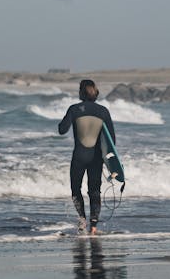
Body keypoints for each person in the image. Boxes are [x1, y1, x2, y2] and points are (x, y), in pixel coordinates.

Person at [59, 79, 116, 235]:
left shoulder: (74, 109)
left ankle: (82, 220)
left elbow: (62, 130)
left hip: (79, 156)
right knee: (95, 191)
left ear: (81, 92)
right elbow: (112, 140)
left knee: (76, 190)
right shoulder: (103, 111)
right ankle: (94, 226)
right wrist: (111, 163)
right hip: (96, 158)